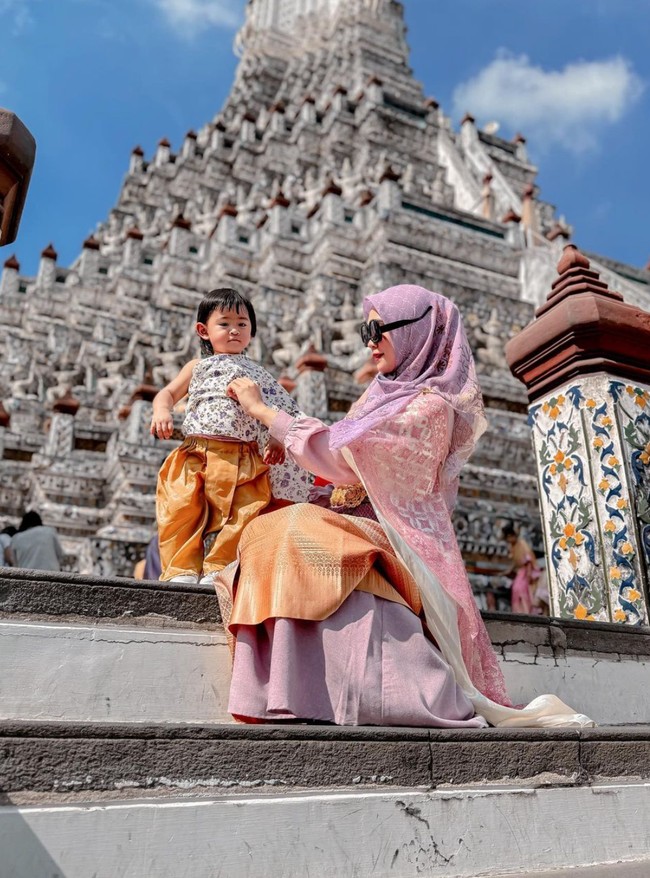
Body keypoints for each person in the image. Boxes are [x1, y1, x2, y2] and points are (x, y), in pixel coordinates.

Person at [222, 284, 593, 729]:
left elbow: (344, 459)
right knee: (270, 526)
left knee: (294, 528)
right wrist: (280, 450)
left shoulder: (432, 407)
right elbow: (335, 471)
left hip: (402, 540)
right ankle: (290, 690)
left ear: (419, 333)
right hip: (353, 523)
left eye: (379, 330)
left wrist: (265, 413)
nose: (369, 341)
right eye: (366, 329)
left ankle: (394, 692)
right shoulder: (377, 396)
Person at [150, 288, 311, 585]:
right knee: (182, 509)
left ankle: (220, 568)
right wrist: (162, 411)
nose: (234, 330)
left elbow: (279, 411)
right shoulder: (197, 367)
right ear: (204, 331)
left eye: (242, 324)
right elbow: (168, 393)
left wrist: (275, 440)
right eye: (224, 324)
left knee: (243, 514)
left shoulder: (257, 374)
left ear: (252, 331)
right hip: (197, 452)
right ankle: (181, 569)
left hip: (245, 456)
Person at [502, 522, 541, 615]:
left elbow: (528, 560)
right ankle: (519, 612)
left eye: (508, 537)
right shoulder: (513, 546)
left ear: (512, 536)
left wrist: (528, 575)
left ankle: (526, 612)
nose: (508, 540)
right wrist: (508, 571)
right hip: (520, 572)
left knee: (520, 589)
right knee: (516, 590)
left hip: (527, 571)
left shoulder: (522, 543)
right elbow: (515, 562)